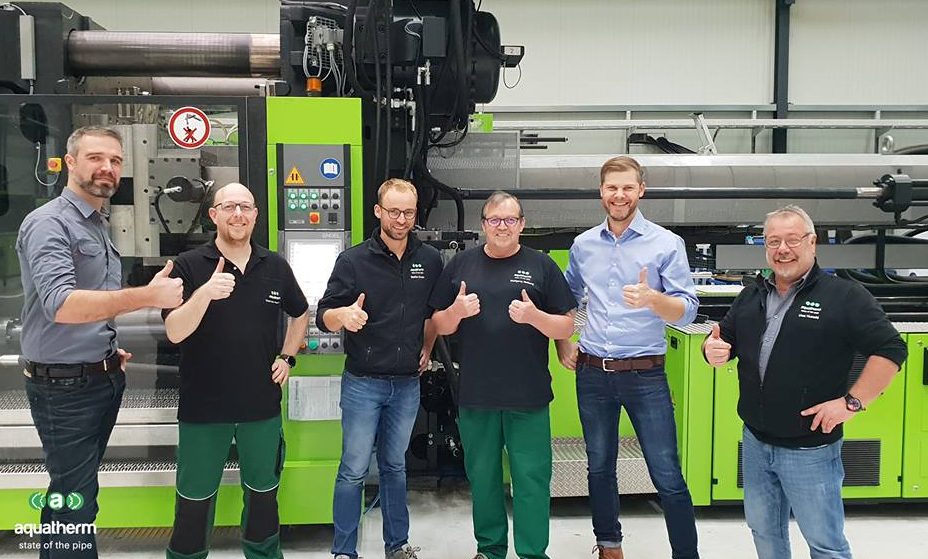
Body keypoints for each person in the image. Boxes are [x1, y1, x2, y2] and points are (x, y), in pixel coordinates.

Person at [16, 125, 183, 559]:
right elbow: (61, 304)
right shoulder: (50, 223)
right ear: (70, 162)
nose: (107, 168)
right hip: (64, 387)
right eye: (95, 158)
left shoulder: (94, 222)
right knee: (74, 501)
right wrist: (148, 296)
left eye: (115, 160)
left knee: (76, 492)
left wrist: (104, 346)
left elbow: (92, 303)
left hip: (98, 377)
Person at [702, 205, 907, 559]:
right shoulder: (752, 294)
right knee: (764, 532)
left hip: (810, 450)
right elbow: (725, 337)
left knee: (825, 544)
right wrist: (711, 349)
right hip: (755, 441)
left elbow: (891, 349)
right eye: (773, 241)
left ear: (812, 242)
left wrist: (852, 403)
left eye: (792, 240)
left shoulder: (844, 296)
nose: (783, 249)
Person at [555, 156, 700, 559]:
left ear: (641, 190)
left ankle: (686, 554)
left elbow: (688, 310)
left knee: (667, 473)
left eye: (628, 187)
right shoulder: (583, 245)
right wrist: (563, 342)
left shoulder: (666, 243)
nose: (619, 195)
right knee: (599, 467)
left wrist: (654, 299)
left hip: (645, 376)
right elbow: (566, 299)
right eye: (612, 187)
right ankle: (609, 546)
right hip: (593, 374)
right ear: (601, 191)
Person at [163, 182, 310, 559]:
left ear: (256, 215)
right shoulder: (189, 265)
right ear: (213, 215)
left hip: (260, 406)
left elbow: (300, 313)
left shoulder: (274, 266)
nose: (238, 214)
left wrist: (287, 357)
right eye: (229, 207)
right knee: (193, 504)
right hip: (203, 410)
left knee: (263, 499)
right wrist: (205, 293)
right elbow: (175, 330)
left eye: (245, 207)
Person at [430, 191, 577, 559]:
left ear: (522, 224)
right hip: (476, 394)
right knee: (483, 478)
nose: (502, 226)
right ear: (483, 225)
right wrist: (457, 312)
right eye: (494, 220)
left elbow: (566, 326)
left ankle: (532, 552)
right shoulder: (461, 265)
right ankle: (490, 549)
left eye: (510, 219)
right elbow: (438, 324)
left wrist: (535, 317)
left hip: (528, 395)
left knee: (532, 478)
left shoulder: (542, 266)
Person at [316, 178, 442, 559]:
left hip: (406, 385)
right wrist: (344, 316)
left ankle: (397, 546)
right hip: (363, 383)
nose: (401, 220)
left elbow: (433, 315)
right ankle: (344, 551)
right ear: (378, 211)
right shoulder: (353, 261)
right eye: (393, 211)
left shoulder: (429, 260)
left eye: (408, 212)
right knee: (354, 469)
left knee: (395, 467)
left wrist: (427, 347)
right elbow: (324, 315)